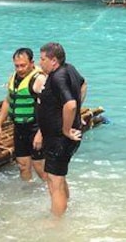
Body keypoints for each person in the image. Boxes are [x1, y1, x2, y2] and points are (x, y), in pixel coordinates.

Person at [37, 42, 87, 216]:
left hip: (60, 139)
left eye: (42, 59)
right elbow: (83, 85)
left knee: (54, 181)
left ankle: (57, 223)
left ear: (54, 61)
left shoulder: (57, 77)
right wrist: (76, 118)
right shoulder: (69, 69)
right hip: (60, 137)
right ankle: (66, 207)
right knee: (59, 177)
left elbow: (71, 105)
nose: (39, 62)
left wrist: (66, 129)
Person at [0, 47, 47, 182]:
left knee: (40, 166)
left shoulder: (39, 79)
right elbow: (8, 100)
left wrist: (40, 134)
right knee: (23, 165)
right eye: (16, 66)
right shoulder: (13, 77)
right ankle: (28, 195)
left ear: (31, 63)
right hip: (19, 127)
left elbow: (49, 109)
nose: (20, 69)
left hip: (36, 127)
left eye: (23, 65)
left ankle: (53, 193)